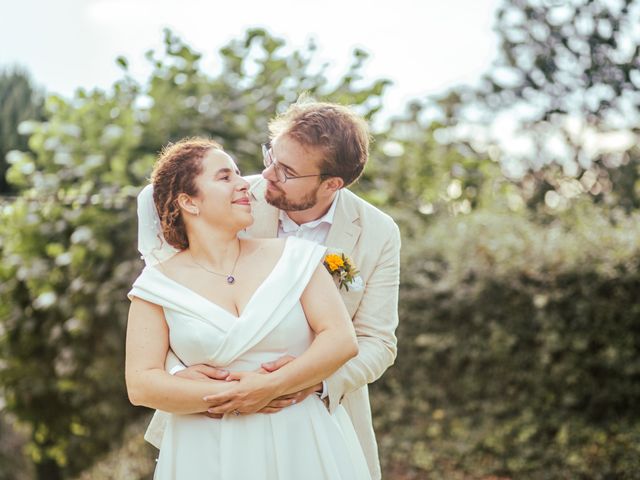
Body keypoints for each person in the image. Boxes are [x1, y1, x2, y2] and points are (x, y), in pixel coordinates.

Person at [147, 99, 401, 480]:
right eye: (271, 156)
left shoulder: (378, 232)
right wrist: (178, 371)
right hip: (212, 419)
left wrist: (308, 381)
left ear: (331, 183)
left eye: (286, 170)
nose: (266, 174)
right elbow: (173, 297)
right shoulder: (228, 200)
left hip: (315, 424)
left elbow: (377, 341)